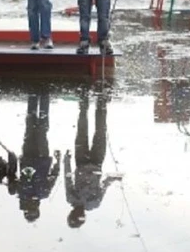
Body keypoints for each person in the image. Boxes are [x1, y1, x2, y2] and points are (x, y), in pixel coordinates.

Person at [65, 89, 118, 229]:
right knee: (100, 130)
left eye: (75, 215)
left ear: (71, 213)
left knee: (82, 130)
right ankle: (102, 102)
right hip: (97, 163)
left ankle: (84, 102)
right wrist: (114, 178)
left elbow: (68, 179)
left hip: (81, 161)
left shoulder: (71, 199)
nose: (79, 213)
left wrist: (66, 161)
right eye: (81, 217)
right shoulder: (94, 204)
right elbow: (104, 185)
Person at [16, 91, 60, 222]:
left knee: (30, 126)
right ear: (38, 208)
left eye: (28, 209)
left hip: (27, 156)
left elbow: (13, 176)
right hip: (42, 157)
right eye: (33, 209)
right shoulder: (44, 193)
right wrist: (58, 162)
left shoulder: (21, 192)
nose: (31, 206)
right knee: (42, 129)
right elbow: (53, 176)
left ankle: (33, 97)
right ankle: (45, 97)